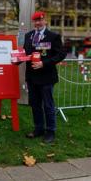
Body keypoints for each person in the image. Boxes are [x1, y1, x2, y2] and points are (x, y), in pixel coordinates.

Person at [24, 11, 66, 143]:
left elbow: (61, 54)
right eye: (35, 21)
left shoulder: (53, 36)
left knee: (48, 105)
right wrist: (17, 58)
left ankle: (50, 131)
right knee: (35, 104)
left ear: (45, 21)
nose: (37, 23)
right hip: (32, 77)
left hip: (46, 77)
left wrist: (44, 63)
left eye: (40, 20)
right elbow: (26, 53)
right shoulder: (28, 36)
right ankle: (38, 128)